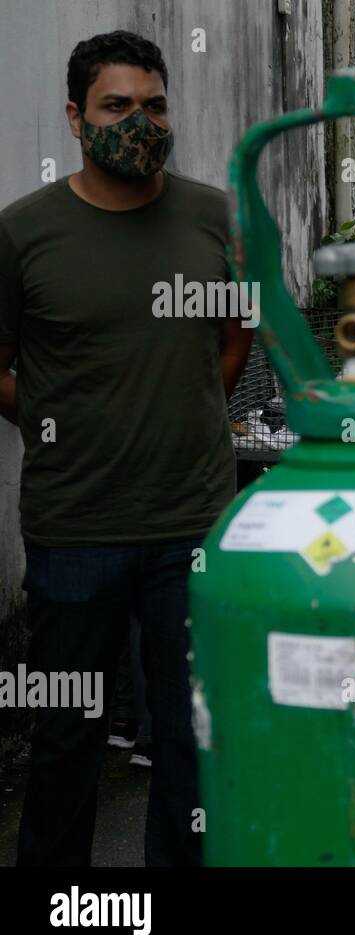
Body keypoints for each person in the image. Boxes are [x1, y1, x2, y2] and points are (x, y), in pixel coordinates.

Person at [0, 31, 253, 865]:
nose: (140, 122)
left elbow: (234, 338)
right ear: (76, 118)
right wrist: (60, 420)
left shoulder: (215, 213)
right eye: (117, 106)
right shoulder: (23, 233)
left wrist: (176, 411)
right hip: (75, 531)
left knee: (192, 739)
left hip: (194, 524)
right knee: (68, 741)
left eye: (155, 105)